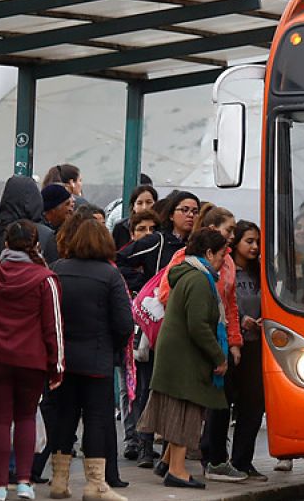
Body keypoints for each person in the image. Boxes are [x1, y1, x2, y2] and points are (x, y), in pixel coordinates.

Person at [47, 215, 133, 501]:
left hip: (63, 361)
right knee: (96, 420)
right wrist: (113, 348)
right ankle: (95, 484)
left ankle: (59, 481)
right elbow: (123, 323)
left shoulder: (57, 269)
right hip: (98, 360)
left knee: (64, 418)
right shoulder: (110, 275)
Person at [0, 219, 64, 501]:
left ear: (5, 244)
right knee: (26, 417)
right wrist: (57, 366)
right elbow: (53, 327)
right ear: (36, 244)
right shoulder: (45, 279)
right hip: (31, 359)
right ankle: (24, 482)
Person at [139, 229, 231, 489]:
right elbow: (199, 326)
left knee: (177, 408)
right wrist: (218, 357)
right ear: (209, 253)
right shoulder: (201, 281)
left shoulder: (187, 274)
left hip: (174, 354)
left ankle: (167, 462)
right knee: (186, 412)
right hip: (185, 358)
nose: (223, 261)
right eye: (222, 254)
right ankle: (178, 472)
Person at [117, 190, 199, 467]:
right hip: (154, 324)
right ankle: (143, 446)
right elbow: (120, 260)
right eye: (184, 209)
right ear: (172, 213)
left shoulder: (197, 245)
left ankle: (168, 451)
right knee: (147, 385)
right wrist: (144, 285)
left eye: (194, 210)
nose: (190, 215)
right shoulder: (159, 240)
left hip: (184, 327)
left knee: (173, 388)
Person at [209, 221, 266, 481]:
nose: (254, 247)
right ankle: (216, 457)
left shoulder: (263, 273)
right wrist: (241, 319)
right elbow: (222, 303)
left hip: (256, 345)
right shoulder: (226, 270)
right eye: (249, 241)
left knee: (253, 405)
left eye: (257, 242)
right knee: (222, 404)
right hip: (230, 346)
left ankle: (243, 460)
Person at [112, 185, 157, 249]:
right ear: (133, 206)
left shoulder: (161, 226)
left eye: (148, 202)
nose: (144, 207)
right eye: (139, 203)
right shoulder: (121, 227)